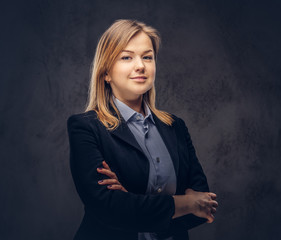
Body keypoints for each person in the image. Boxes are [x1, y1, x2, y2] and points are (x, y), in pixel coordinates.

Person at [67, 19, 218, 240]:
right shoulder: (86, 127)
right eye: (126, 57)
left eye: (147, 57)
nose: (141, 66)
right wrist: (184, 203)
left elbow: (204, 206)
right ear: (106, 72)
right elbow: (108, 209)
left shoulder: (175, 127)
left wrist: (133, 204)